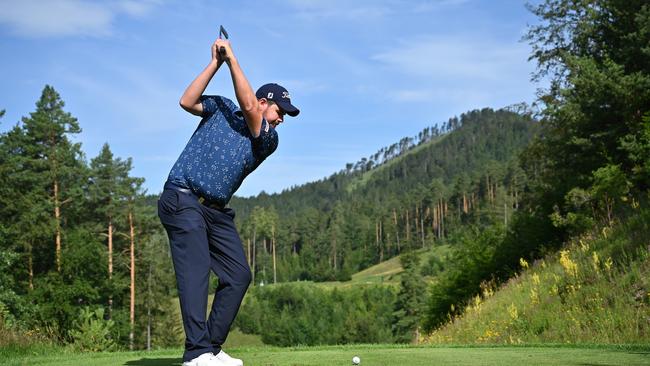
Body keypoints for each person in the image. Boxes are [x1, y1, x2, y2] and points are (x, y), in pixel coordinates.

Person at [157, 34, 300, 366]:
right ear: (266, 101)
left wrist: (234, 59)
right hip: (182, 197)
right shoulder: (221, 107)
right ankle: (196, 354)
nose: (281, 119)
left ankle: (211, 346)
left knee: (238, 275)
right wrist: (216, 63)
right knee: (196, 271)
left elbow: (249, 107)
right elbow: (186, 100)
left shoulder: (267, 138)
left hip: (215, 212)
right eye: (280, 111)